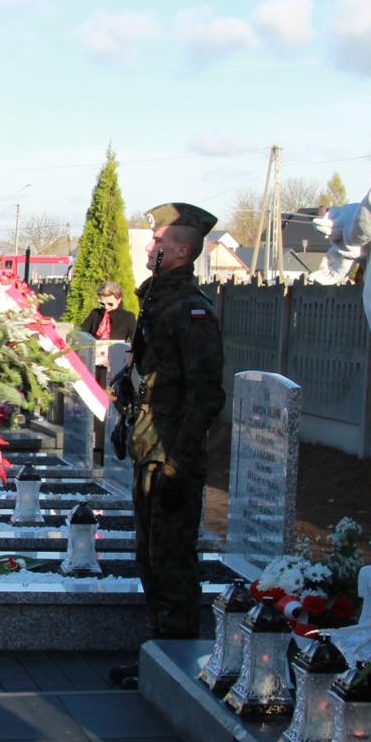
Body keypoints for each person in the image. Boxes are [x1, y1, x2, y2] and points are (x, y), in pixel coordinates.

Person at [109, 202, 226, 690]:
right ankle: (159, 656)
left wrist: (179, 459)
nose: (149, 247)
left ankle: (178, 664)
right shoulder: (158, 301)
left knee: (173, 561)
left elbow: (205, 392)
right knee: (150, 558)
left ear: (180, 251)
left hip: (171, 457)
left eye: (158, 241)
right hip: (150, 451)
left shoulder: (191, 309)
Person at [78, 280, 137, 379]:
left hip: (116, 368)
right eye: (102, 303)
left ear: (118, 300)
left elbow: (135, 343)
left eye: (110, 304)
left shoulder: (127, 317)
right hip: (93, 366)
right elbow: (80, 334)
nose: (106, 307)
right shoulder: (95, 314)